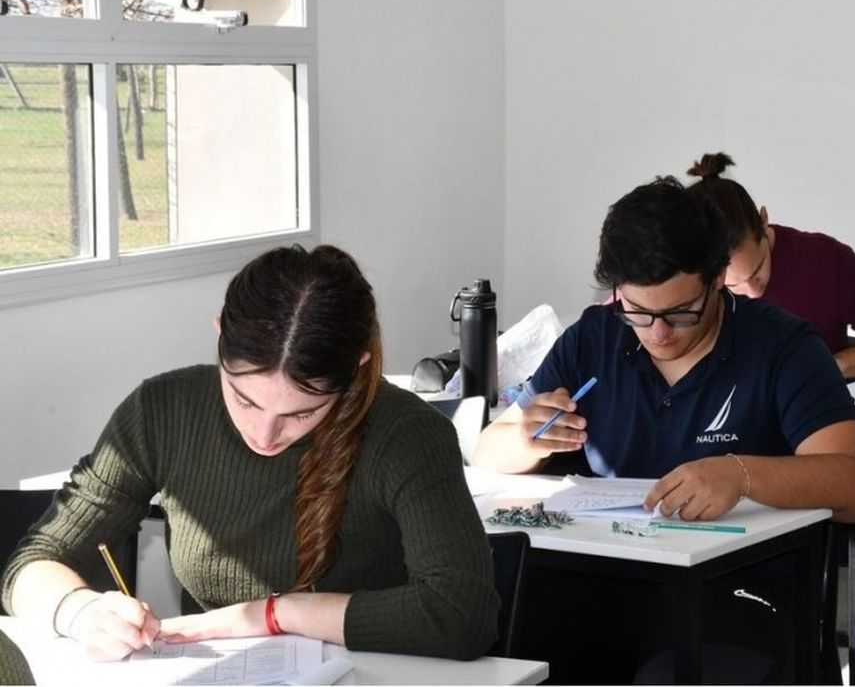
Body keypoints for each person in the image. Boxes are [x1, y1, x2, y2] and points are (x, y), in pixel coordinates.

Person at [1, 245, 498, 662]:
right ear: (220, 333)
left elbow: (462, 616)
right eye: (244, 400)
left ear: (358, 366)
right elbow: (32, 565)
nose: (264, 434)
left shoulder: (408, 436)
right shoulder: (163, 410)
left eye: (302, 413)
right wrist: (79, 611)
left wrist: (273, 614)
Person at [473, 176, 855, 682]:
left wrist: (742, 475)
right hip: (604, 582)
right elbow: (486, 452)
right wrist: (525, 438)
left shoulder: (782, 348)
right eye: (639, 312)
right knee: (503, 653)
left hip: (739, 597)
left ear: (718, 279)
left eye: (681, 313)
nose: (659, 333)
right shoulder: (594, 339)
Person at [685, 151, 855, 380]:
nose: (754, 292)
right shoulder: (687, 286)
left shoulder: (822, 259)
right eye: (732, 286)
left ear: (763, 220)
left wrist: (834, 366)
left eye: (757, 271)